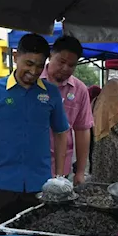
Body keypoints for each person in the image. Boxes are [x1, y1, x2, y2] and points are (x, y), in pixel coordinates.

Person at [0, 34, 69, 236]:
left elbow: (61, 133)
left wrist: (59, 177)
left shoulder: (51, 93)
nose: (33, 71)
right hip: (2, 184)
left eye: (40, 66)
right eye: (29, 63)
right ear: (15, 57)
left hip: (40, 185)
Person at [41, 36, 94, 185]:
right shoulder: (33, 82)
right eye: (61, 62)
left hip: (61, 169)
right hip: (29, 165)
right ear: (51, 55)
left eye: (71, 65)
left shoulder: (80, 90)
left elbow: (82, 130)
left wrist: (80, 171)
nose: (65, 68)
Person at [91, 79, 118, 183]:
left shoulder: (96, 101)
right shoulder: (113, 104)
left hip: (99, 143)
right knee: (113, 176)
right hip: (113, 147)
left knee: (101, 174)